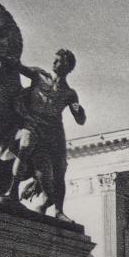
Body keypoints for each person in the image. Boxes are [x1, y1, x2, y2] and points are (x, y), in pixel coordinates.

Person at [8, 48, 86, 221]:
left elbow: (80, 119)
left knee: (59, 170)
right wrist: (3, 55)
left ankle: (58, 210)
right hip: (33, 123)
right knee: (25, 147)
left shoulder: (70, 93)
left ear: (69, 67)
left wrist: (79, 110)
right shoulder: (39, 75)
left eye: (60, 61)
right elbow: (17, 66)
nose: (55, 63)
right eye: (55, 59)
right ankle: (12, 192)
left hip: (54, 132)